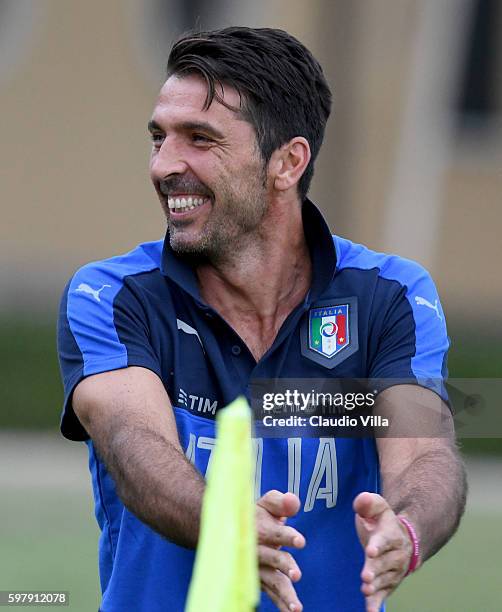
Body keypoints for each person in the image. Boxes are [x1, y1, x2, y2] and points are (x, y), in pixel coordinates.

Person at [57, 27, 466, 612]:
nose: (165, 165)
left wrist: (408, 529)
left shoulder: (390, 296)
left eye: (200, 138)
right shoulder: (113, 295)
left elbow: (425, 455)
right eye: (159, 137)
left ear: (287, 162)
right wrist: (228, 524)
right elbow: (133, 441)